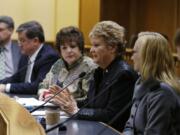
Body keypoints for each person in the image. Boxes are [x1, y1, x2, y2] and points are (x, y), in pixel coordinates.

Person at [43, 21, 138, 131]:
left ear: (112, 47)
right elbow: (90, 102)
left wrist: (76, 111)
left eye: (96, 45)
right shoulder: (100, 70)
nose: (91, 50)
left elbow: (112, 115)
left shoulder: (123, 74)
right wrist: (66, 101)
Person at [123, 32, 180, 135]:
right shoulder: (140, 82)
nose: (131, 58)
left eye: (135, 52)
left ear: (147, 56)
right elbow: (130, 126)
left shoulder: (162, 93)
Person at [38, 26, 97, 100]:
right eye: (64, 48)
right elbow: (43, 84)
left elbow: (88, 98)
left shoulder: (89, 66)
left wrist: (62, 100)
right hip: (51, 108)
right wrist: (43, 92)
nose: (68, 51)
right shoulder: (58, 63)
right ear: (60, 50)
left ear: (80, 48)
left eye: (72, 46)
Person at [0, 21, 59, 94]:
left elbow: (38, 86)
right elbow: (16, 77)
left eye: (22, 40)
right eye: (19, 40)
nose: (19, 44)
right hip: (22, 98)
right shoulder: (25, 55)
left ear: (35, 41)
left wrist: (6, 87)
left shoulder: (49, 57)